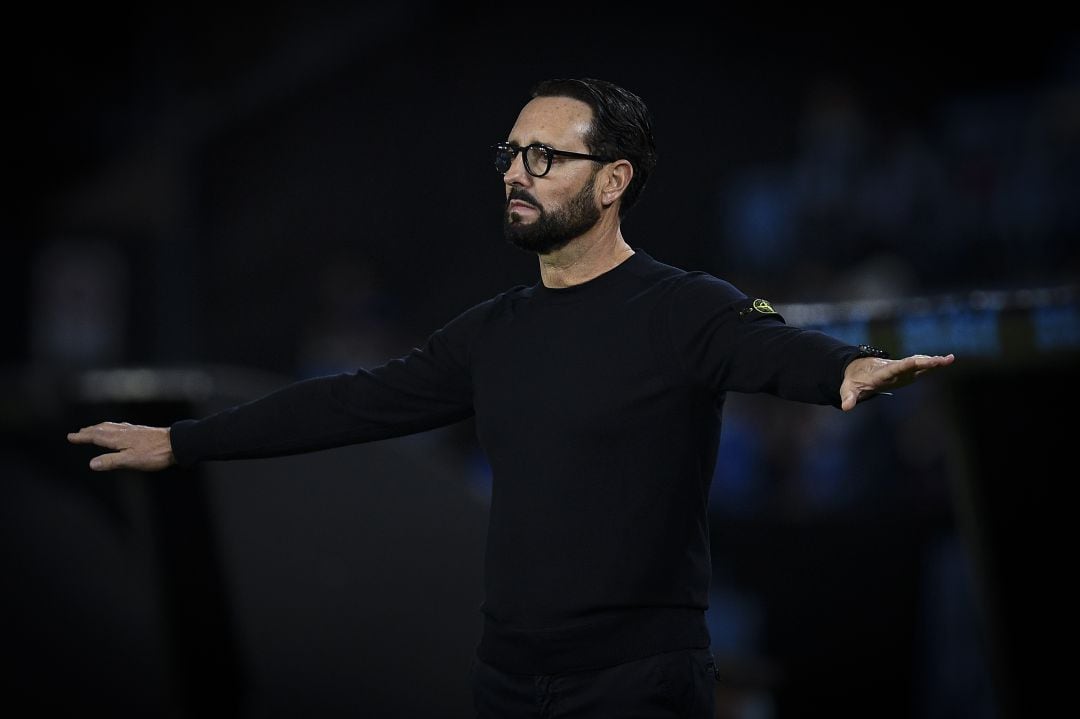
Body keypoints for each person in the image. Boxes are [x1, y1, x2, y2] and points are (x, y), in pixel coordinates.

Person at [68, 77, 955, 718]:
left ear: (612, 183)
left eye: (543, 154)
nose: (514, 172)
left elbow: (764, 340)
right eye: (510, 153)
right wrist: (185, 442)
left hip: (635, 684)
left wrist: (843, 368)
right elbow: (349, 404)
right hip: (507, 680)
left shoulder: (685, 304)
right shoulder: (491, 331)